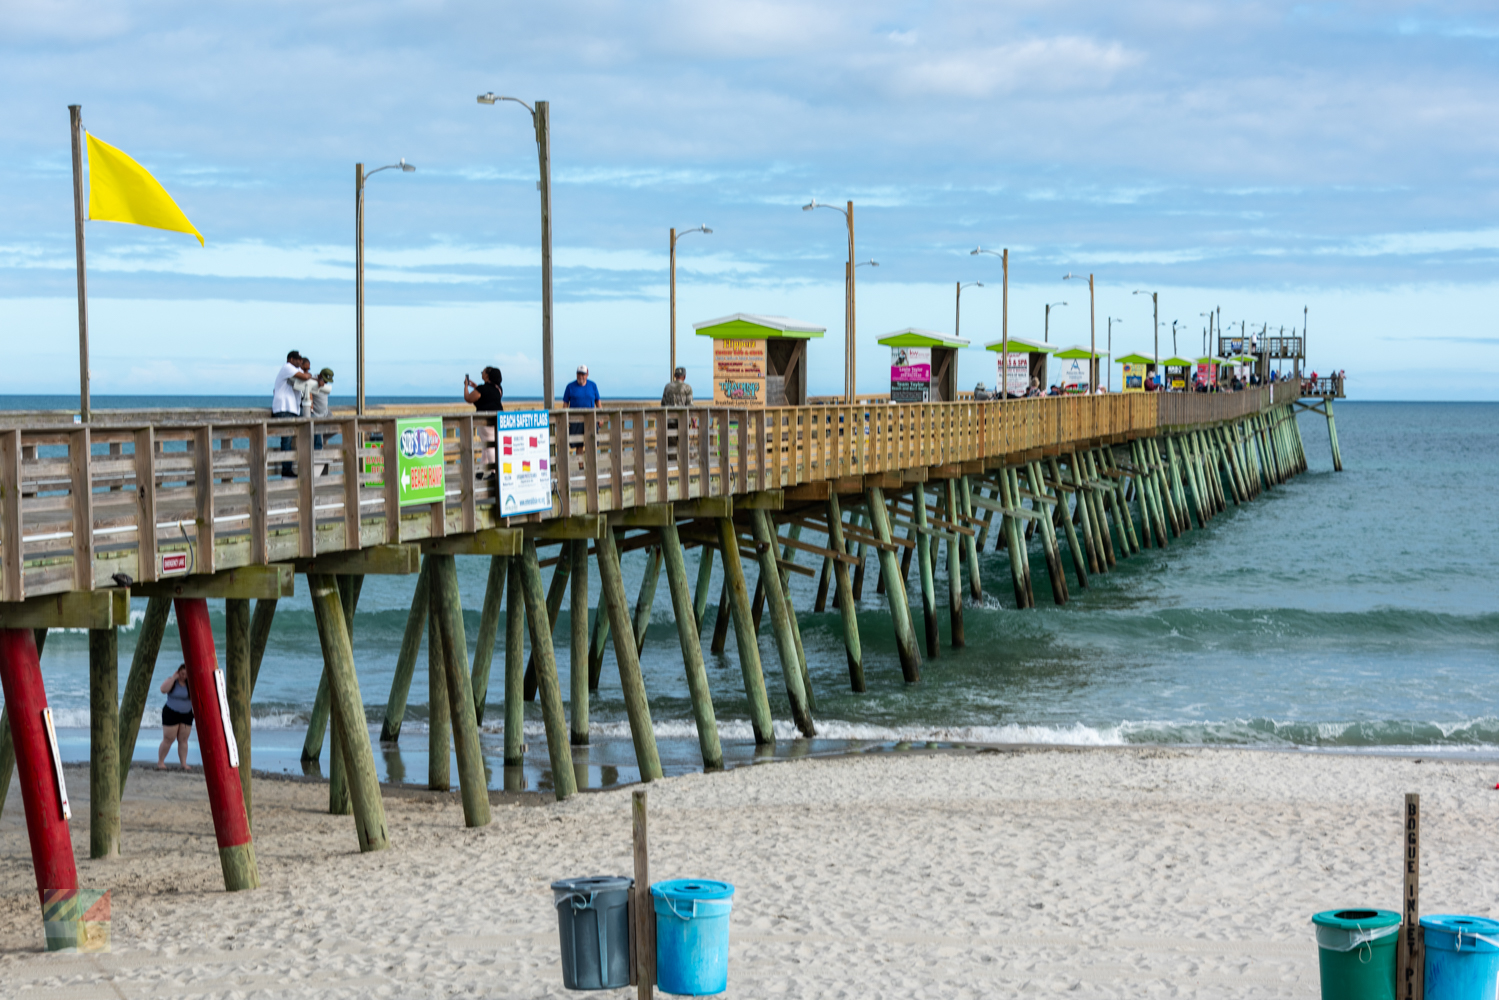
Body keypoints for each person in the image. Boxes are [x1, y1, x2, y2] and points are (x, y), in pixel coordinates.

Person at [272, 350, 311, 477]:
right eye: (298, 359)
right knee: (287, 440)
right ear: (290, 359)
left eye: (300, 359)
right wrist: (308, 374)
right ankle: (286, 470)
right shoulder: (287, 368)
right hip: (284, 409)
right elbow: (305, 377)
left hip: (291, 410)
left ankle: (291, 469)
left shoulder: (293, 373)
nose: (300, 361)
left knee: (296, 438)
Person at [157, 665, 193, 770]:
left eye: (186, 674)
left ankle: (183, 764)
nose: (184, 676)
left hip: (186, 714)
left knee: (183, 739)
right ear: (178, 672)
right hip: (171, 712)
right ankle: (161, 762)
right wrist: (173, 678)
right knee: (169, 738)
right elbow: (163, 690)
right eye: (182, 674)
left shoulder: (190, 683)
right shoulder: (172, 681)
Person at [561, 365, 600, 455]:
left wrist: (600, 418)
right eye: (579, 374)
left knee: (592, 443)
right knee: (579, 445)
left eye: (583, 374)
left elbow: (598, 402)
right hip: (575, 420)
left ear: (587, 375)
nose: (580, 376)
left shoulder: (593, 385)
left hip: (591, 419)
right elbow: (565, 404)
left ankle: (592, 466)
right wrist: (566, 420)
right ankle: (581, 467)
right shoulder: (570, 387)